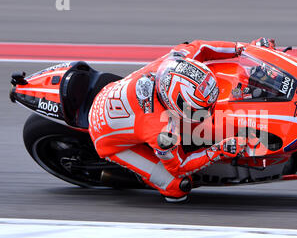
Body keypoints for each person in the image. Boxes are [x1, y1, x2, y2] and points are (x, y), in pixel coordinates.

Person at [88, 38, 275, 202]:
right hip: (109, 140)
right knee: (177, 187)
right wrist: (219, 150)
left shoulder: (176, 61)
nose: (209, 110)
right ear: (177, 105)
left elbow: (201, 46)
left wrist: (246, 49)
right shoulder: (163, 132)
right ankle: (134, 176)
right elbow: (179, 167)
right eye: (201, 109)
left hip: (116, 98)